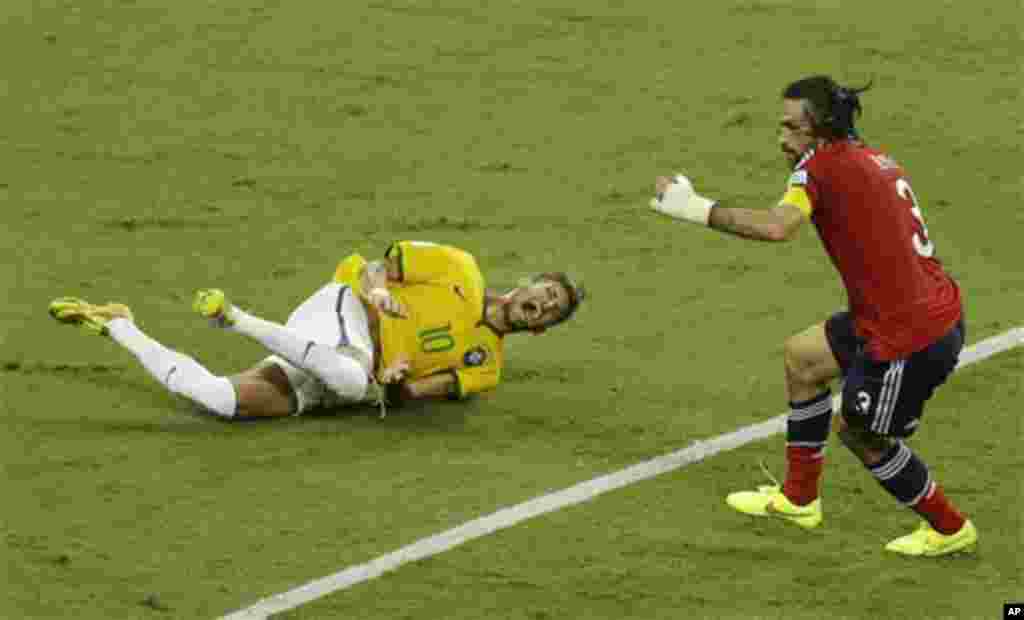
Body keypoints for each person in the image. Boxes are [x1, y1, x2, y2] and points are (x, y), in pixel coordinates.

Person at [648, 75, 974, 556]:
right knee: (803, 359)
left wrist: (695, 208)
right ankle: (800, 499)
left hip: (911, 333)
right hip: (899, 311)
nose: (783, 139)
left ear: (820, 128)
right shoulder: (870, 157)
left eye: (791, 128)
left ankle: (949, 528)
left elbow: (780, 227)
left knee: (862, 435)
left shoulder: (818, 168)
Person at [49, 240, 584, 419]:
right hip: (342, 310)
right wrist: (376, 292)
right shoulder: (459, 269)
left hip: (341, 366)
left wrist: (395, 381)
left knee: (214, 399)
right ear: (526, 284)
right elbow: (376, 264)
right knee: (352, 379)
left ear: (542, 329)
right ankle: (232, 318)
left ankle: (118, 324)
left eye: (553, 310)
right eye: (547, 292)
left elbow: (409, 395)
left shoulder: (484, 368)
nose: (544, 304)